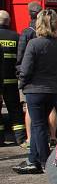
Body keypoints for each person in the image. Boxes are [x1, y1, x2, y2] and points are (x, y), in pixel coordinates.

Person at [13, 9, 57, 174]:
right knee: (39, 125)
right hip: (52, 90)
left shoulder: (34, 43)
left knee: (38, 125)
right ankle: (33, 158)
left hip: (35, 90)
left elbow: (26, 68)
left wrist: (22, 83)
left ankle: (44, 160)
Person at [16, 1, 43, 147]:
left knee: (29, 108)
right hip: (47, 80)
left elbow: (20, 57)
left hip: (30, 79)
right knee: (49, 110)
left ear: (29, 13)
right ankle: (50, 137)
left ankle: (29, 139)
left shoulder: (27, 32)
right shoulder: (48, 34)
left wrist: (20, 76)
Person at [0, 10, 26, 145]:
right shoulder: (16, 36)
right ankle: (20, 138)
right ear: (9, 21)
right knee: (15, 110)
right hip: (11, 81)